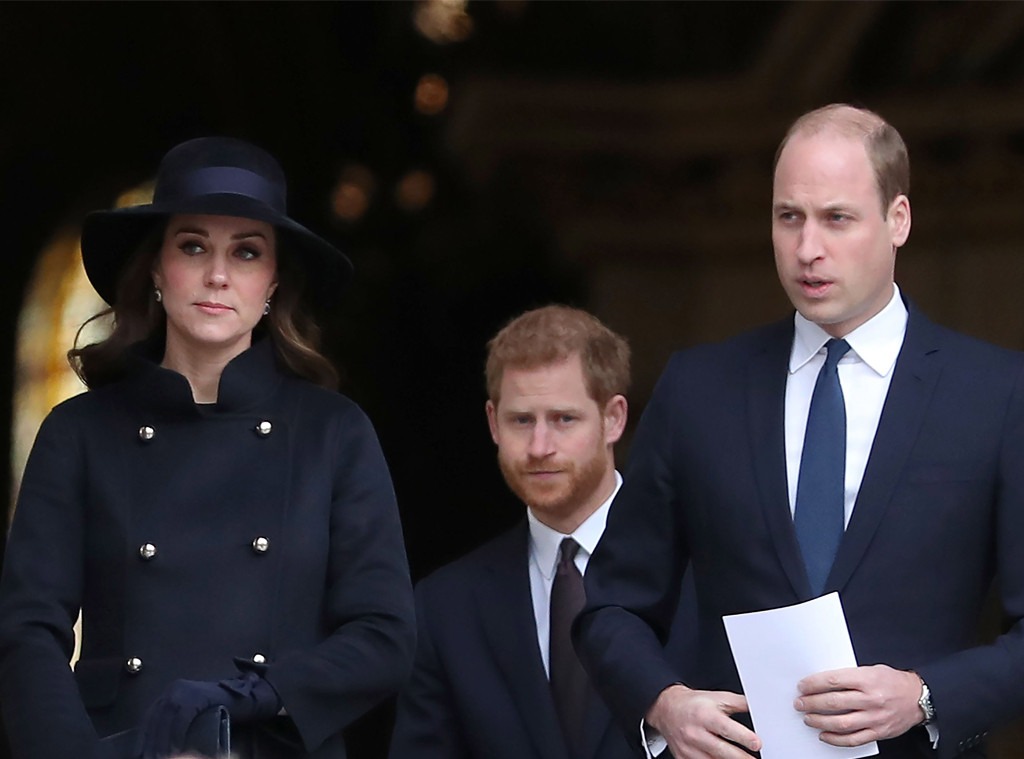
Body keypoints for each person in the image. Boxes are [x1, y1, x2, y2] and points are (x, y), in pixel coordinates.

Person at [574, 103, 1024, 759]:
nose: (807, 247)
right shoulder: (699, 390)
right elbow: (611, 603)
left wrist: (927, 694)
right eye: (789, 217)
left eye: (836, 217)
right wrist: (663, 703)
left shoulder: (996, 393)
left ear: (898, 219)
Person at [0, 137, 416, 759]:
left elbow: (385, 636)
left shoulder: (335, 433)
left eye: (246, 252)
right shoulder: (77, 433)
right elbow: (27, 631)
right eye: (193, 246)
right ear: (157, 269)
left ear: (274, 282)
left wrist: (250, 698)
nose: (217, 275)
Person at [388, 304, 641, 759]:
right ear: (492, 422)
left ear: (613, 419)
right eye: (522, 421)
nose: (540, 447)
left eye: (564, 419)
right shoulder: (445, 607)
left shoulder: (701, 573)